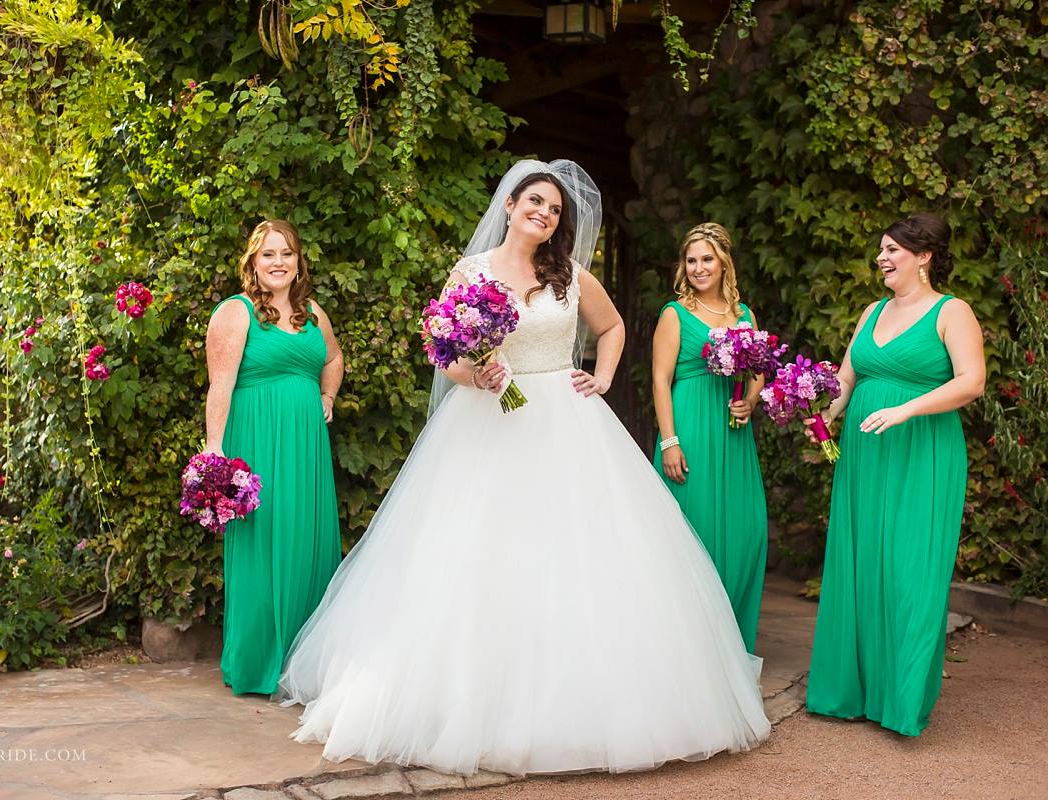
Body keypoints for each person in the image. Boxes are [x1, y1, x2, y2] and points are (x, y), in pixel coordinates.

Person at [276, 160, 770, 776]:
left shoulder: (570, 276)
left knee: (579, 557)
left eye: (555, 209)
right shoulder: (472, 273)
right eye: (535, 202)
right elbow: (446, 355)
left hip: (567, 418)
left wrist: (605, 375)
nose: (545, 213)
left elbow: (612, 327)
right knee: (479, 557)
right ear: (509, 207)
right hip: (488, 423)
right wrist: (475, 374)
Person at [805, 213, 985, 736]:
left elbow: (972, 382)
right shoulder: (871, 311)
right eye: (881, 251)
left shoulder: (953, 312)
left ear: (923, 256)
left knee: (910, 571)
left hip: (922, 451)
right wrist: (817, 418)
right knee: (860, 565)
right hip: (865, 454)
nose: (881, 259)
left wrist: (907, 410)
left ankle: (901, 701)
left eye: (892, 251)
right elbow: (844, 379)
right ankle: (852, 693)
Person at [204, 219, 344, 695]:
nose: (278, 262)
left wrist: (327, 396)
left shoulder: (312, 313)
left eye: (286, 253)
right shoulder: (236, 312)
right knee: (263, 545)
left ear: (298, 261)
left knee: (308, 540)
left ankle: (303, 664)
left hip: (307, 449)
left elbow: (333, 359)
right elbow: (219, 385)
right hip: (258, 445)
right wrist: (214, 449)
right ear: (253, 262)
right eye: (268, 254)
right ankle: (257, 663)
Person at [651, 223, 768, 653]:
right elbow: (661, 381)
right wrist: (670, 441)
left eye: (707, 259)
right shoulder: (674, 313)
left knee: (746, 533)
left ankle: (730, 647)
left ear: (724, 264)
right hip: (691, 430)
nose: (699, 268)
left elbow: (757, 370)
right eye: (692, 259)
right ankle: (688, 651)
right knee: (693, 534)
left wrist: (752, 400)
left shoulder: (743, 315)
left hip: (733, 434)